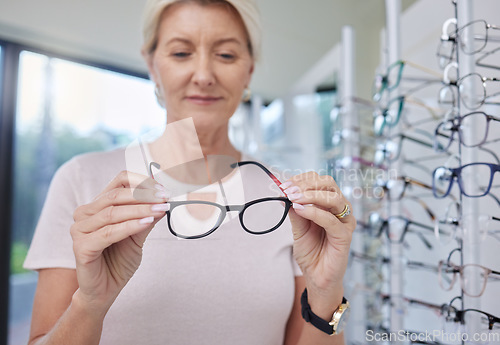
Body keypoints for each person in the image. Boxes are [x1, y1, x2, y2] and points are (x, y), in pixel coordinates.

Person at [24, 0, 356, 344]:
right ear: (152, 65)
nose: (203, 75)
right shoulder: (82, 180)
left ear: (250, 70)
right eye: (181, 53)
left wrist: (325, 292)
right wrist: (90, 303)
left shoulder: (288, 198)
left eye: (226, 55)